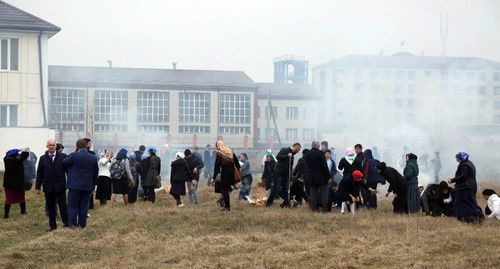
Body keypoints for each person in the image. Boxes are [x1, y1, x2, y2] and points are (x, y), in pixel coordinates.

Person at [63, 139, 98, 229]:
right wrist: (93, 187)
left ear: (77, 146)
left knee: (72, 206)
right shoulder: (94, 158)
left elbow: (64, 162)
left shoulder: (74, 156)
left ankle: (72, 225)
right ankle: (82, 225)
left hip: (74, 186)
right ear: (86, 146)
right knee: (84, 207)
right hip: (88, 186)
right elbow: (95, 174)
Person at [35, 139, 68, 230]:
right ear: (47, 146)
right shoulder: (42, 158)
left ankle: (66, 224)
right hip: (48, 187)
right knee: (51, 207)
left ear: (56, 146)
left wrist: (69, 183)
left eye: (53, 145)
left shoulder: (63, 156)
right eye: (50, 145)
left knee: (63, 206)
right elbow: (39, 174)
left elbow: (68, 171)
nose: (52, 147)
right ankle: (52, 226)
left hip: (60, 186)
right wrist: (37, 187)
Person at [447, 152, 483, 223]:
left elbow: (463, 176)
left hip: (465, 188)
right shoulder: (468, 163)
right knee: (467, 202)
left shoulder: (465, 166)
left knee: (468, 203)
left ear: (461, 158)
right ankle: (465, 216)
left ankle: (477, 215)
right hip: (467, 187)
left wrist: (452, 180)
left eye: (457, 157)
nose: (456, 159)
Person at [265, 143, 302, 208]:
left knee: (286, 189)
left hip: (286, 175)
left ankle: (287, 204)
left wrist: (290, 178)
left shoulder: (292, 155)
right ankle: (268, 203)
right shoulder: (285, 150)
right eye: (298, 150)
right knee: (277, 189)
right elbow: (278, 156)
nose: (298, 151)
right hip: (278, 173)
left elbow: (290, 168)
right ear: (296, 147)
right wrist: (287, 155)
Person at [212, 140, 240, 211]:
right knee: (227, 189)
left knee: (224, 190)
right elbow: (237, 163)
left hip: (225, 173)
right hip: (232, 173)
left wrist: (214, 177)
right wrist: (238, 173)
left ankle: (227, 207)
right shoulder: (230, 151)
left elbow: (217, 166)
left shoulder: (219, 153)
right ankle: (226, 206)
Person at [305, 141, 331, 212]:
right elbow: (324, 166)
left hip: (311, 177)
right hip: (321, 178)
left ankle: (314, 208)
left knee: (313, 194)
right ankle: (324, 209)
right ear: (318, 145)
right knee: (324, 194)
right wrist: (328, 176)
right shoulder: (321, 153)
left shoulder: (307, 154)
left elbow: (306, 166)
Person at [3, 149, 29, 219]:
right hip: (17, 183)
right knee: (21, 197)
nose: (18, 155)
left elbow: (21, 157)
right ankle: (23, 212)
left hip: (9, 184)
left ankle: (6, 215)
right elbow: (25, 155)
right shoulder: (16, 160)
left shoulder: (6, 159)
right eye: (17, 154)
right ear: (14, 155)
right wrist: (25, 150)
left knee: (9, 199)